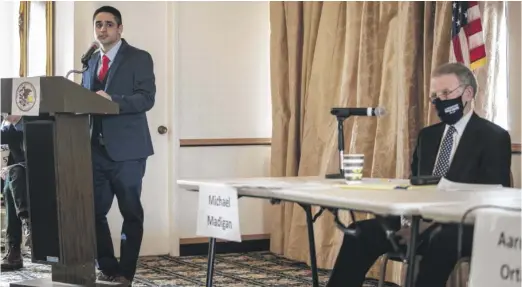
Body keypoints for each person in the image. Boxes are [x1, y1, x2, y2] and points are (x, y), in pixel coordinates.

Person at [326, 62, 512, 287]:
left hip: (463, 226)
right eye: (435, 95)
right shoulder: (428, 137)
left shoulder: (493, 137)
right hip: (417, 219)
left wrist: (427, 227)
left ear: (468, 93)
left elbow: (491, 198)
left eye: (446, 93)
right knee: (360, 231)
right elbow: (415, 187)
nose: (439, 101)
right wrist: (408, 222)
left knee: (439, 239)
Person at [81, 6, 156, 286]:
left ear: (120, 29)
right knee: (93, 212)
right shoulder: (89, 61)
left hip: (128, 152)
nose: (103, 29)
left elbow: (146, 99)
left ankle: (126, 272)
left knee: (130, 212)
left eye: (109, 24)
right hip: (95, 151)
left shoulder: (139, 58)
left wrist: (113, 100)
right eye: (98, 24)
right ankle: (108, 267)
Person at [1, 115, 30, 271]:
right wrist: (2, 167)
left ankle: (14, 251)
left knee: (15, 176)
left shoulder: (30, 119)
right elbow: (2, 150)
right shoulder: (5, 126)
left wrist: (17, 121)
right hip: (16, 174)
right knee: (8, 187)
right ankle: (25, 221)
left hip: (39, 166)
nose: (7, 115)